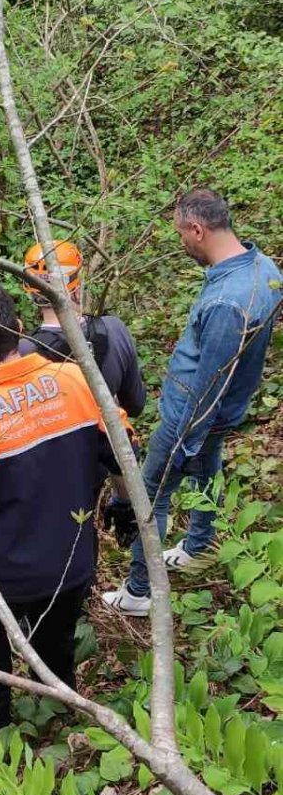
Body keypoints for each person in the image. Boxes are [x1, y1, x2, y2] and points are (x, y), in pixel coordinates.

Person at [0, 281, 134, 758]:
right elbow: (124, 451)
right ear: (19, 328)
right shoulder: (78, 382)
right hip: (73, 559)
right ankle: (56, 698)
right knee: (56, 634)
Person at [102, 189, 282, 616]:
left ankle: (139, 591)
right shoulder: (262, 268)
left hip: (191, 418)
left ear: (198, 230)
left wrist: (186, 441)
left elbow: (208, 386)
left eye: (182, 234)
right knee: (208, 472)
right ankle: (199, 546)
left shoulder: (225, 304)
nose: (182, 243)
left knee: (151, 496)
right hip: (222, 415)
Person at [20, 238, 146, 549]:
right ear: (77, 283)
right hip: (100, 462)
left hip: (48, 474)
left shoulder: (23, 354)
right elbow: (135, 405)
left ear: (30, 291)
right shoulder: (114, 331)